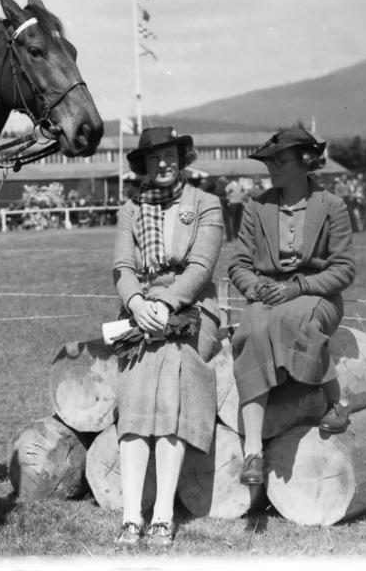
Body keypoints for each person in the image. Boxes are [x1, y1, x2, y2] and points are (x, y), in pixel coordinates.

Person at [110, 127, 223, 548]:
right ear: (143, 163)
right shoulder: (129, 208)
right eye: (154, 157)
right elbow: (123, 266)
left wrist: (168, 303)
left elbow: (201, 267)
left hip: (193, 309)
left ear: (182, 157)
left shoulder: (206, 204)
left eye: (170, 154)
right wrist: (137, 302)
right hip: (142, 307)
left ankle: (162, 515)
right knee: (138, 379)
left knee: (173, 365)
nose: (163, 163)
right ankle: (130, 517)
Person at [228, 127, 356, 486]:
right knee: (251, 328)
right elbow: (238, 264)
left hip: (318, 296)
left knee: (291, 317)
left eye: (280, 160)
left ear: (305, 161)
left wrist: (298, 286)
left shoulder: (332, 206)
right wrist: (256, 287)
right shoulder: (257, 206)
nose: (272, 167)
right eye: (269, 161)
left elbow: (344, 269)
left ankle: (337, 403)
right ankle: (253, 451)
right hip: (268, 294)